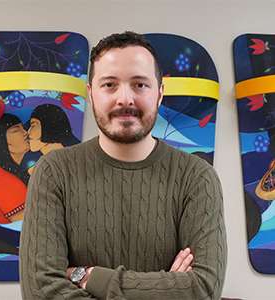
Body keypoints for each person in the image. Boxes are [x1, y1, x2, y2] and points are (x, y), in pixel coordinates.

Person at [20, 31, 227, 300]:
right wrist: (168, 287)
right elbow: (41, 291)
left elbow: (203, 287)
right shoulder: (54, 172)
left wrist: (90, 276)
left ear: (160, 93)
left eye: (140, 84)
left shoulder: (197, 178)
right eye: (109, 85)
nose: (125, 99)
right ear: (91, 93)